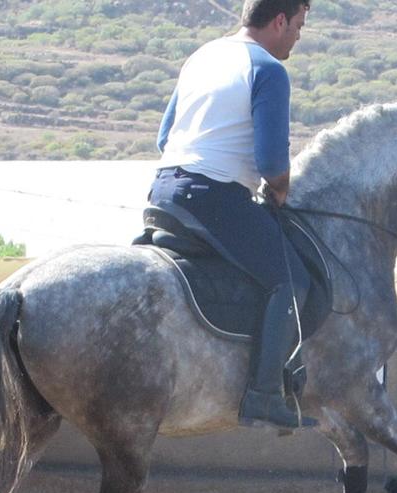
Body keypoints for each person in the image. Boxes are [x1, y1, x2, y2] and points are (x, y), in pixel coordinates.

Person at [151, 0, 313, 431]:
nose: (298, 35)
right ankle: (263, 395)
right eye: (299, 25)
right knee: (291, 280)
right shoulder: (268, 70)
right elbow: (271, 162)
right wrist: (279, 190)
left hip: (162, 191)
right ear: (280, 20)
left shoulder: (202, 56)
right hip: (211, 198)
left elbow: (164, 136)